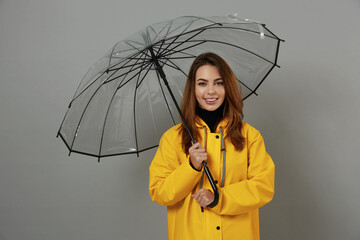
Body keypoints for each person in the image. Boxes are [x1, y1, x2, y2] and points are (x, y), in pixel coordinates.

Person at [149, 52, 275, 240]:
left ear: (228, 86)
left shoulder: (249, 136)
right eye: (202, 83)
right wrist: (191, 167)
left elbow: (263, 187)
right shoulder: (172, 138)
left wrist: (218, 198)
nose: (211, 91)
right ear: (193, 89)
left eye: (218, 82)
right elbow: (160, 192)